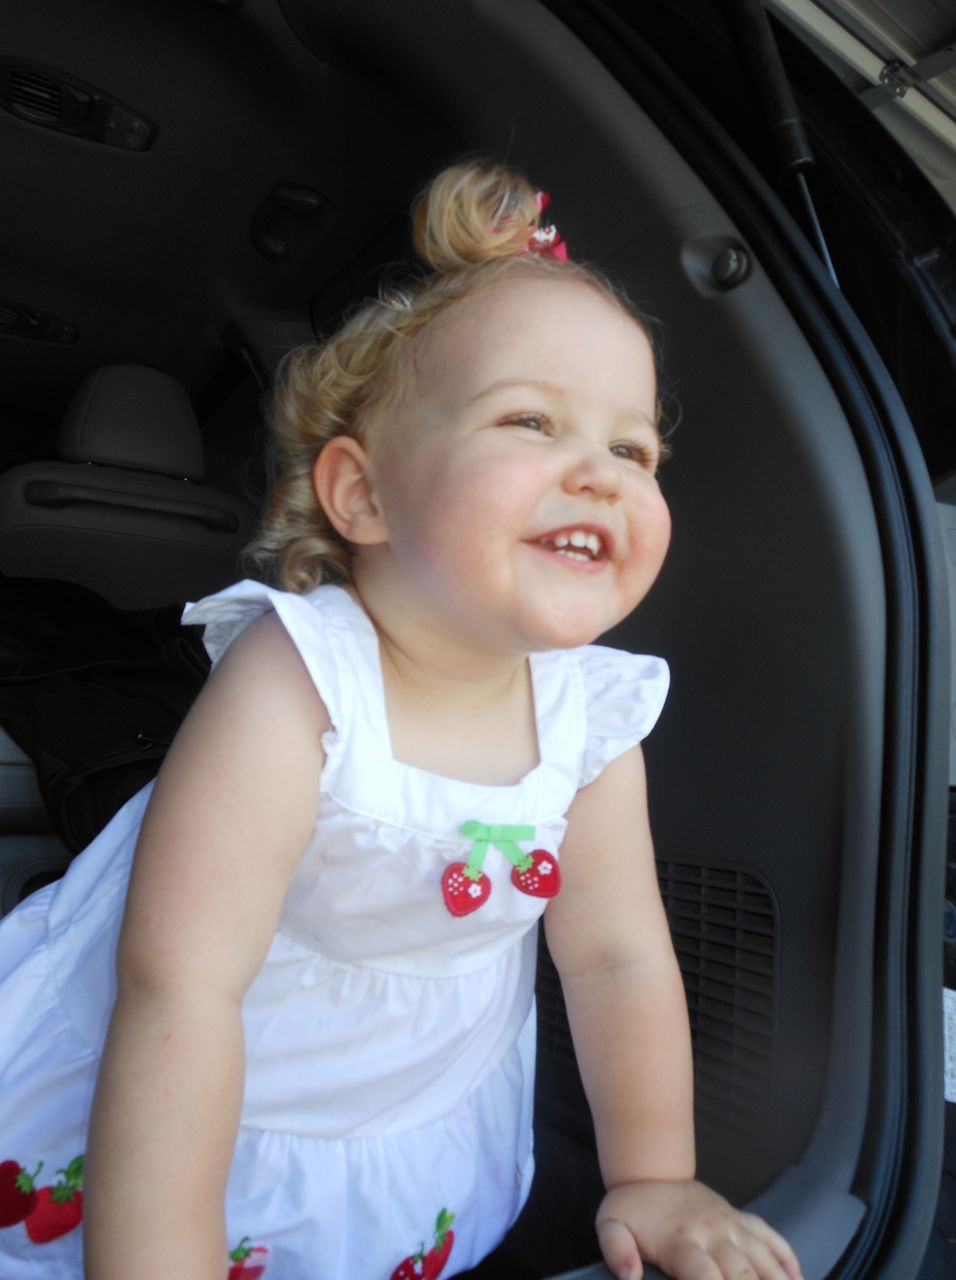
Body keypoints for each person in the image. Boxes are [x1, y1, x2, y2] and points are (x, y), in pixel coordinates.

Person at [0, 161, 802, 1280]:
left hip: (414, 1094)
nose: (601, 474)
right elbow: (181, 986)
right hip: (207, 1083)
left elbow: (616, 957)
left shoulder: (590, 717)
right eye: (532, 420)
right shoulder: (300, 676)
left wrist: (655, 1176)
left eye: (632, 448)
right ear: (364, 494)